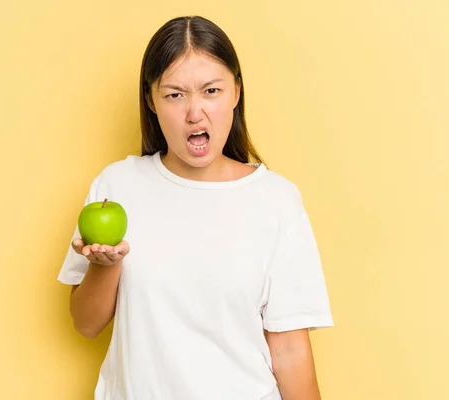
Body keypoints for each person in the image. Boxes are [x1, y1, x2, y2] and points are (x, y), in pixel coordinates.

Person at [58, 15, 334, 400]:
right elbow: (86, 325)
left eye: (211, 91)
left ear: (236, 92)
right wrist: (106, 266)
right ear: (150, 100)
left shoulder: (276, 200)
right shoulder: (117, 186)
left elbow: (288, 348)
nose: (194, 112)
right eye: (174, 94)